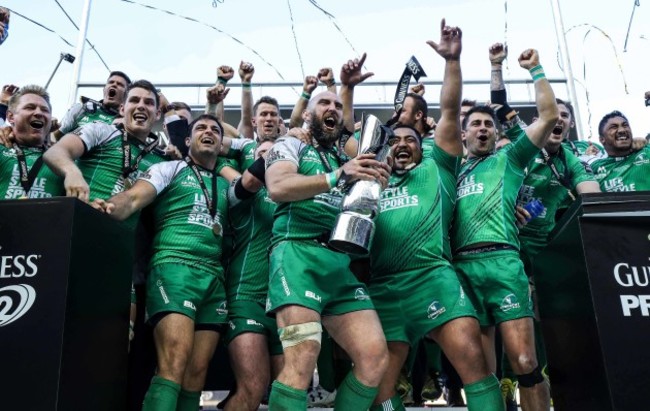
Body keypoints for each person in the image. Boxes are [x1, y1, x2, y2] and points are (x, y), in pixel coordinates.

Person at [368, 19, 504, 411]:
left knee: (474, 365)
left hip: (434, 278)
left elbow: (448, 108)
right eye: (394, 141)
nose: (403, 144)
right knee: (382, 389)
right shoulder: (372, 176)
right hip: (385, 286)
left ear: (423, 144)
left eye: (411, 139)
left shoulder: (438, 165)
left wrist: (452, 61)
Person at [264, 55, 391, 410]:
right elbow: (277, 186)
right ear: (307, 113)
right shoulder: (291, 145)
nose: (332, 108)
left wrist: (347, 88)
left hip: (338, 263)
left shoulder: (343, 154)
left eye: (337, 104)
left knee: (374, 358)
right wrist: (338, 176)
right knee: (303, 356)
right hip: (296, 254)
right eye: (324, 102)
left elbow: (362, 146)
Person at [489, 42, 600, 410]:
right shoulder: (525, 141)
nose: (560, 120)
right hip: (504, 242)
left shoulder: (571, 159)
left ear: (569, 128)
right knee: (502, 314)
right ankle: (502, 380)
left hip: (544, 250)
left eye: (566, 118)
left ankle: (540, 377)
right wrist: (497, 66)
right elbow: (498, 104)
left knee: (539, 314)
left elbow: (592, 195)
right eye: (556, 115)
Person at [92, 114, 229, 411]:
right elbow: (133, 199)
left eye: (215, 130)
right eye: (201, 128)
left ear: (221, 143)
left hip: (214, 278)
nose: (209, 132)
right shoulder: (169, 168)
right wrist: (108, 207)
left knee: (196, 375)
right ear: (187, 140)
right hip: (174, 267)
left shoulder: (226, 184)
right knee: (174, 361)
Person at [451, 48, 559, 411]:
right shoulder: (449, 172)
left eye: (488, 125)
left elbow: (548, 116)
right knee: (482, 375)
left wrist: (535, 69)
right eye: (476, 125)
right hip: (462, 270)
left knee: (526, 364)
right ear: (463, 134)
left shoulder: (509, 158)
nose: (483, 129)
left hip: (503, 264)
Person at [0, 85, 63, 198]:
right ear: (10, 117)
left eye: (45, 110)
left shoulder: (64, 161)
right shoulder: (2, 148)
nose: (39, 113)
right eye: (30, 107)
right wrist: (2, 105)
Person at [56, 70, 132, 138]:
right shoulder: (81, 109)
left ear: (127, 95)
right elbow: (55, 137)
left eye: (120, 84)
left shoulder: (128, 122)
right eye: (111, 82)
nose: (114, 85)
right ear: (104, 89)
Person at [589, 110, 650, 192]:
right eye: (614, 127)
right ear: (602, 139)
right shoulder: (593, 168)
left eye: (625, 125)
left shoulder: (646, 152)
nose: (622, 130)